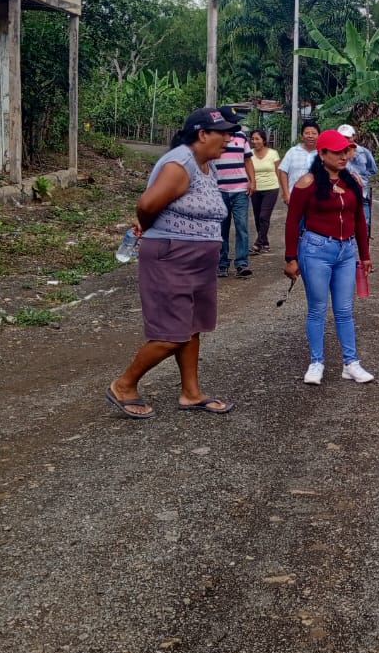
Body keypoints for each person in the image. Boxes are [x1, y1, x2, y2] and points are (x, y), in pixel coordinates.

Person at [106, 107, 238, 419]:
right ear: (202, 134)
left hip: (197, 259)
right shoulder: (180, 165)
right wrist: (150, 228)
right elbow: (146, 204)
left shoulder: (206, 164)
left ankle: (191, 393)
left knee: (192, 327)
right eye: (223, 133)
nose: (229, 139)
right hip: (172, 256)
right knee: (171, 334)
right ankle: (124, 385)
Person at [284, 129, 375, 386]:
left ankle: (351, 363)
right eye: (337, 152)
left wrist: (365, 255)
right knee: (317, 309)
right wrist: (291, 257)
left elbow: (359, 219)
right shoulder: (307, 183)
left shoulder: (352, 181)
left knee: (345, 309)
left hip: (346, 252)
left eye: (346, 151)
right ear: (322, 154)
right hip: (316, 250)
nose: (343, 156)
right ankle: (316, 362)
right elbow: (292, 221)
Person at [212, 110, 255, 278]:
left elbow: (248, 160)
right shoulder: (214, 138)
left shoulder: (241, 137)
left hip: (240, 190)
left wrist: (252, 181)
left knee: (241, 227)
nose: (235, 124)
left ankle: (242, 263)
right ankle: (222, 264)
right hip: (219, 191)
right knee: (221, 228)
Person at [249, 128, 282, 254]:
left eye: (257, 139)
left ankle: (258, 244)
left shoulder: (273, 153)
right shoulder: (249, 154)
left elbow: (278, 171)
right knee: (258, 217)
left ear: (263, 140)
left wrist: (283, 188)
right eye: (252, 139)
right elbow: (247, 171)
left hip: (271, 188)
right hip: (255, 189)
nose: (254, 141)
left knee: (264, 216)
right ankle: (265, 243)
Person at [340, 124, 379, 228]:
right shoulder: (335, 153)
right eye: (342, 137)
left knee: (364, 223)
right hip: (342, 192)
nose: (345, 140)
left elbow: (373, 169)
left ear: (354, 136)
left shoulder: (364, 153)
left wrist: (362, 178)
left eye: (348, 137)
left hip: (362, 193)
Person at [278, 120, 320, 203]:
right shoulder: (292, 151)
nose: (310, 136)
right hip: (294, 197)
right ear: (302, 136)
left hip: (317, 199)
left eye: (314, 133)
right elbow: (283, 172)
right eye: (307, 133)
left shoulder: (322, 153)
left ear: (319, 135)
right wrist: (286, 194)